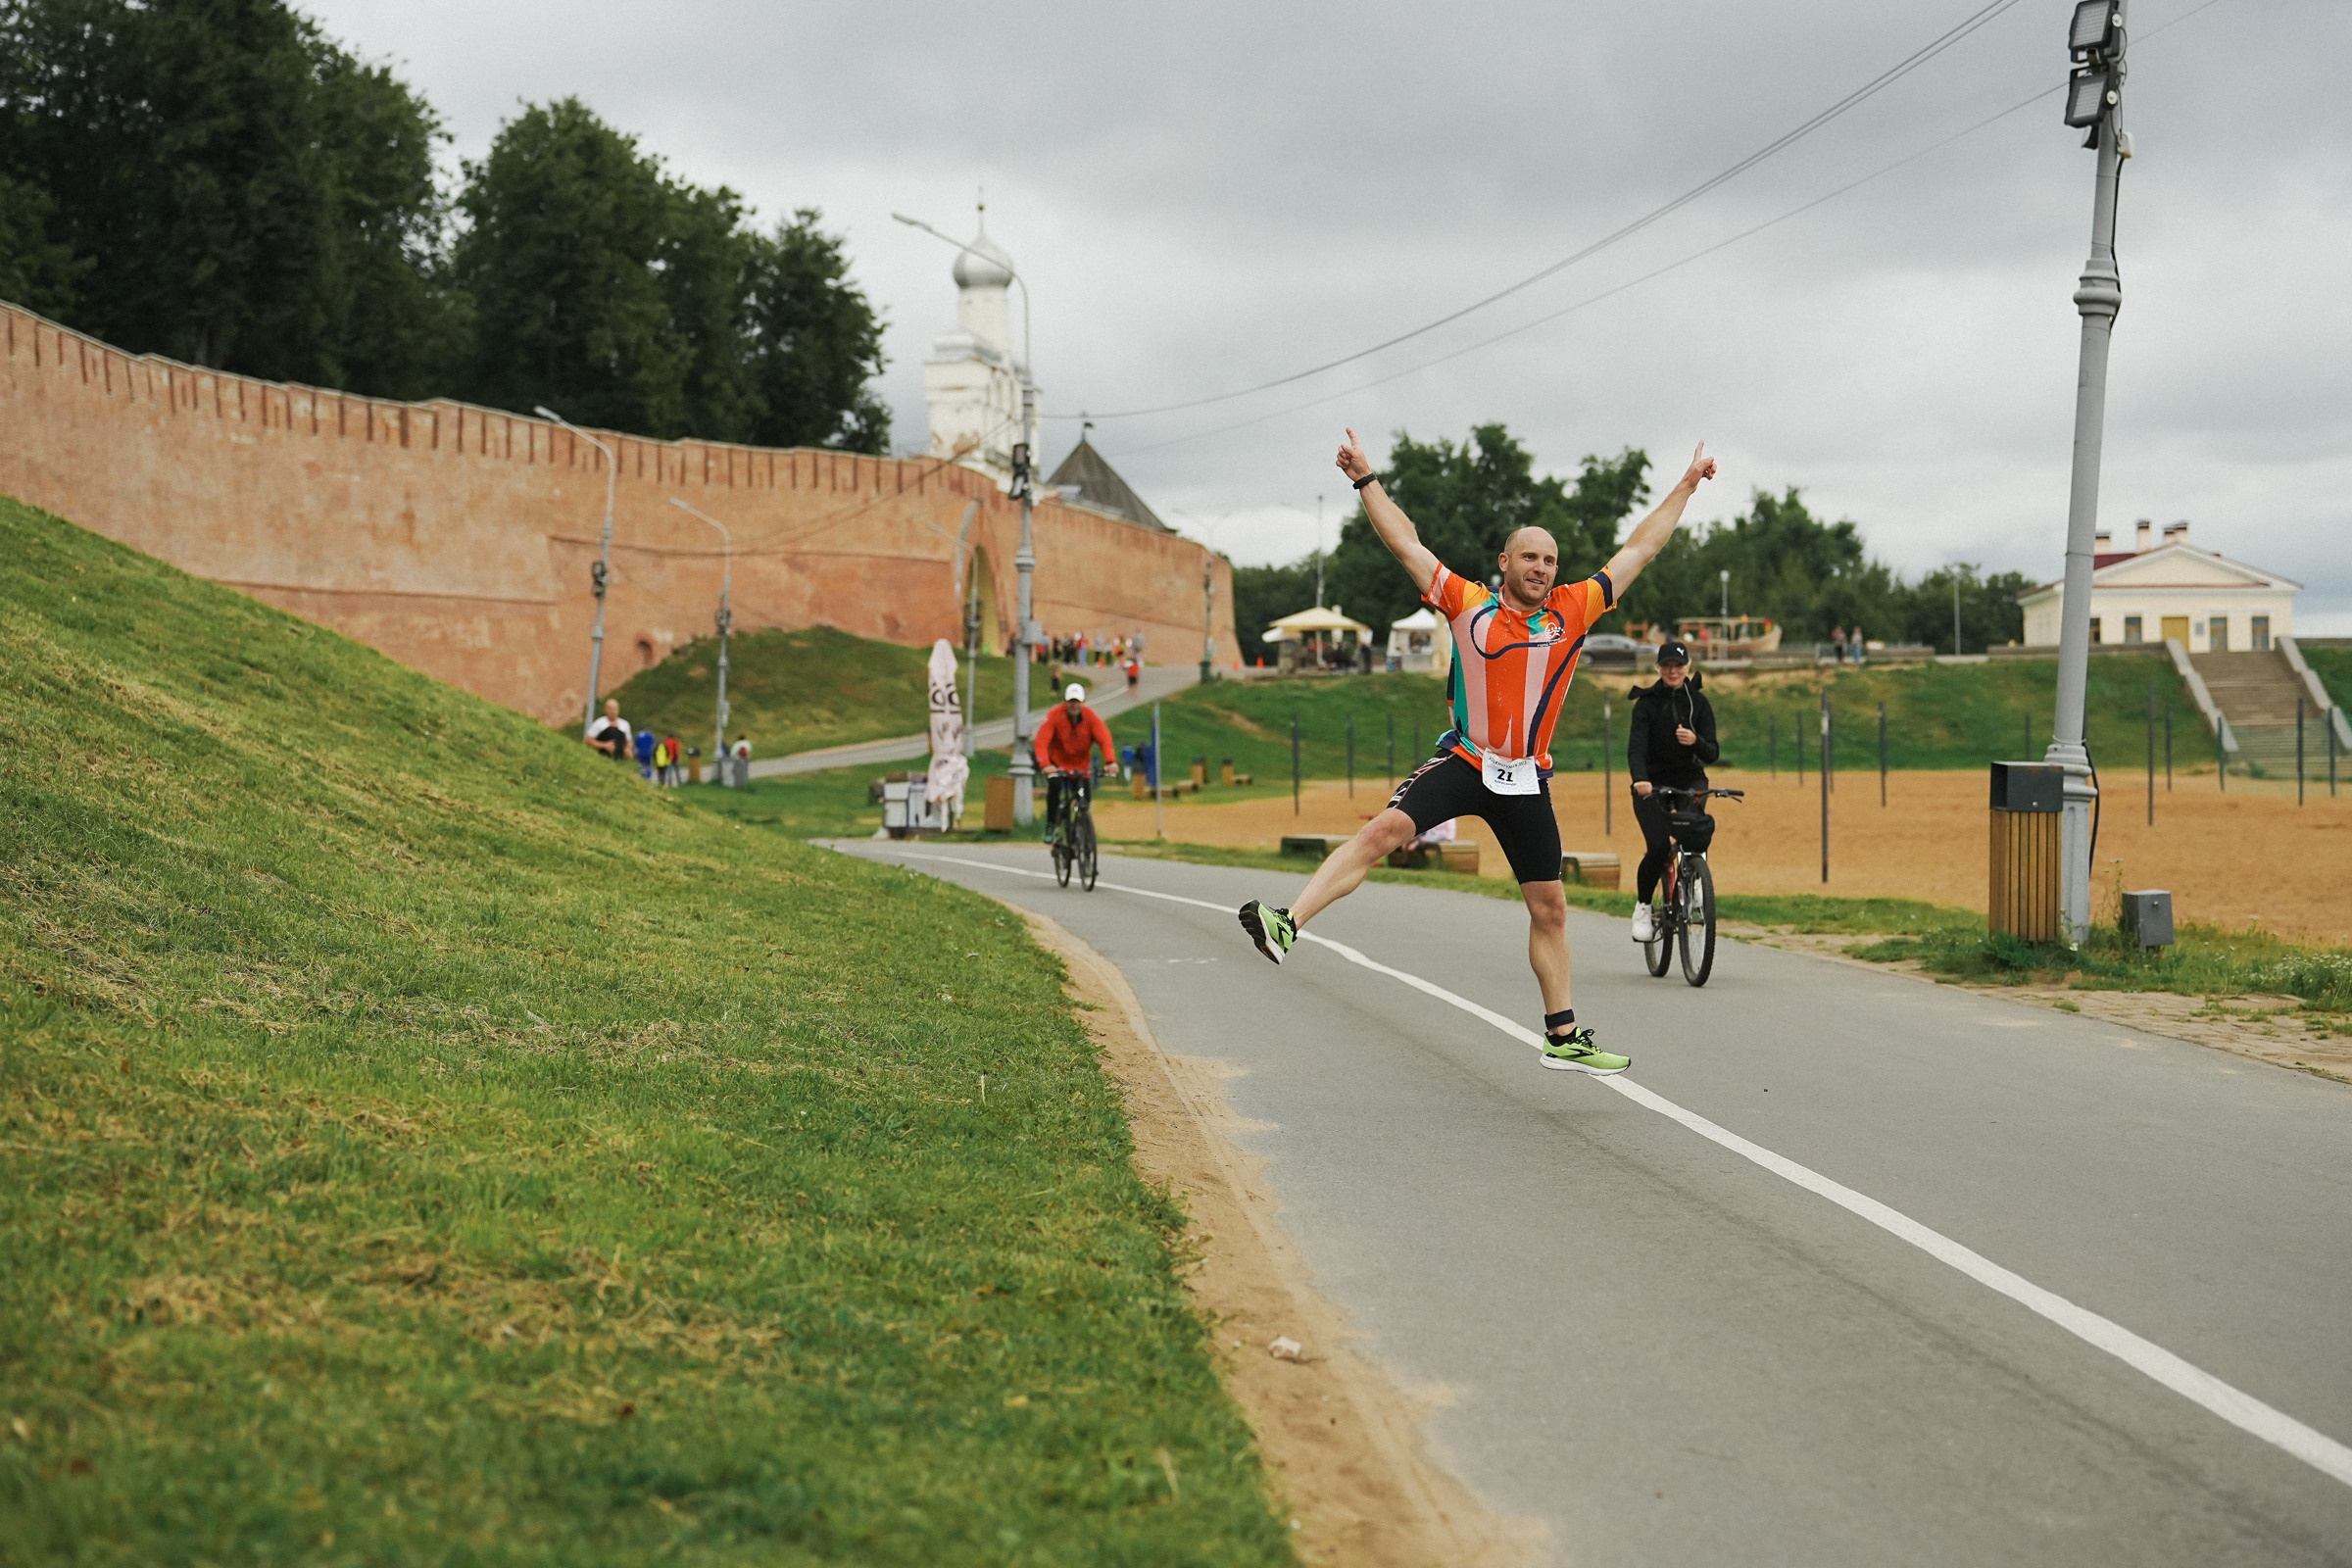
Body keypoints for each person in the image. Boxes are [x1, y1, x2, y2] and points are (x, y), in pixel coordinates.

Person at [1238, 428, 1716, 1076]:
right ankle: (1288, 923)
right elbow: (1406, 543)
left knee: (1550, 907)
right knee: (1383, 832)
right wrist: (1365, 480)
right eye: (1530, 559)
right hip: (1466, 761)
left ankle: (1562, 1032)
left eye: (1550, 560)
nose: (1542, 569)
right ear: (1505, 563)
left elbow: (1641, 547)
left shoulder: (1575, 609)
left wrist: (1686, 485)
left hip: (1526, 778)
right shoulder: (1468, 605)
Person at [1627, 641, 1720, 943]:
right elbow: (1636, 749)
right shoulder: (1647, 703)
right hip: (1651, 784)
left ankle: (1693, 884)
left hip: (1689, 780)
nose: (1673, 671)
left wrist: (1695, 742)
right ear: (1658, 668)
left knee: (1695, 832)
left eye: (1678, 666)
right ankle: (1643, 908)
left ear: (1687, 668)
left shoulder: (1699, 703)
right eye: (1666, 666)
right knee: (1658, 847)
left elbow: (1713, 753)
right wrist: (1641, 779)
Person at [1031, 682, 1116, 847]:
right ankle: (1051, 825)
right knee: (1054, 788)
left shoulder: (1090, 717)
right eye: (1071, 701)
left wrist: (1110, 761)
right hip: (1058, 766)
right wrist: (1045, 765)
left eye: (1077, 701)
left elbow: (1104, 739)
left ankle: (1083, 830)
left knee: (1085, 799)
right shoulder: (1055, 715)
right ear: (1064, 701)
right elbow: (1041, 741)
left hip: (1080, 767)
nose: (1074, 705)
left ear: (1083, 702)